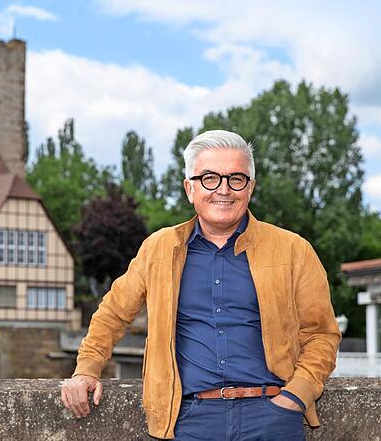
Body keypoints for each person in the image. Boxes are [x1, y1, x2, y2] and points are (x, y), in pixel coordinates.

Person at [60, 130, 341, 440]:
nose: (223, 190)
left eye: (236, 179)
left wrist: (295, 397)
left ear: (250, 188)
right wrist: (86, 369)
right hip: (191, 420)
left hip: (272, 418)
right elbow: (113, 314)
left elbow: (321, 333)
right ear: (189, 188)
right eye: (210, 178)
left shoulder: (293, 250)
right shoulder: (159, 249)